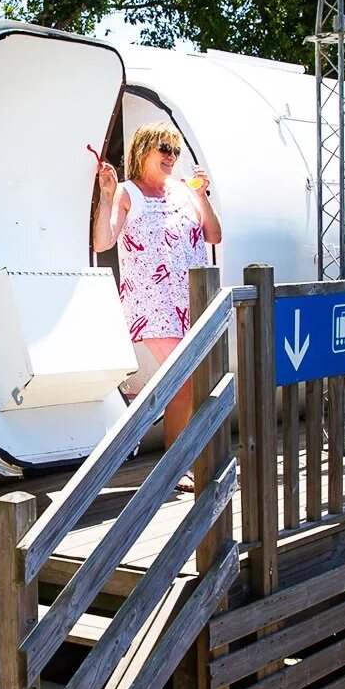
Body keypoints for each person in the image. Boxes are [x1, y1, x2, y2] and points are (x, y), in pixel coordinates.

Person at [92, 121, 222, 477]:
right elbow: (103, 242)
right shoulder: (126, 191)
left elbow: (213, 234)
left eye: (176, 150)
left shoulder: (184, 190)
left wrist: (201, 196)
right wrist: (106, 196)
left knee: (192, 378)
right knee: (184, 377)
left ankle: (187, 460)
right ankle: (177, 467)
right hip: (152, 304)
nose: (172, 156)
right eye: (164, 148)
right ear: (143, 149)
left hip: (190, 299)